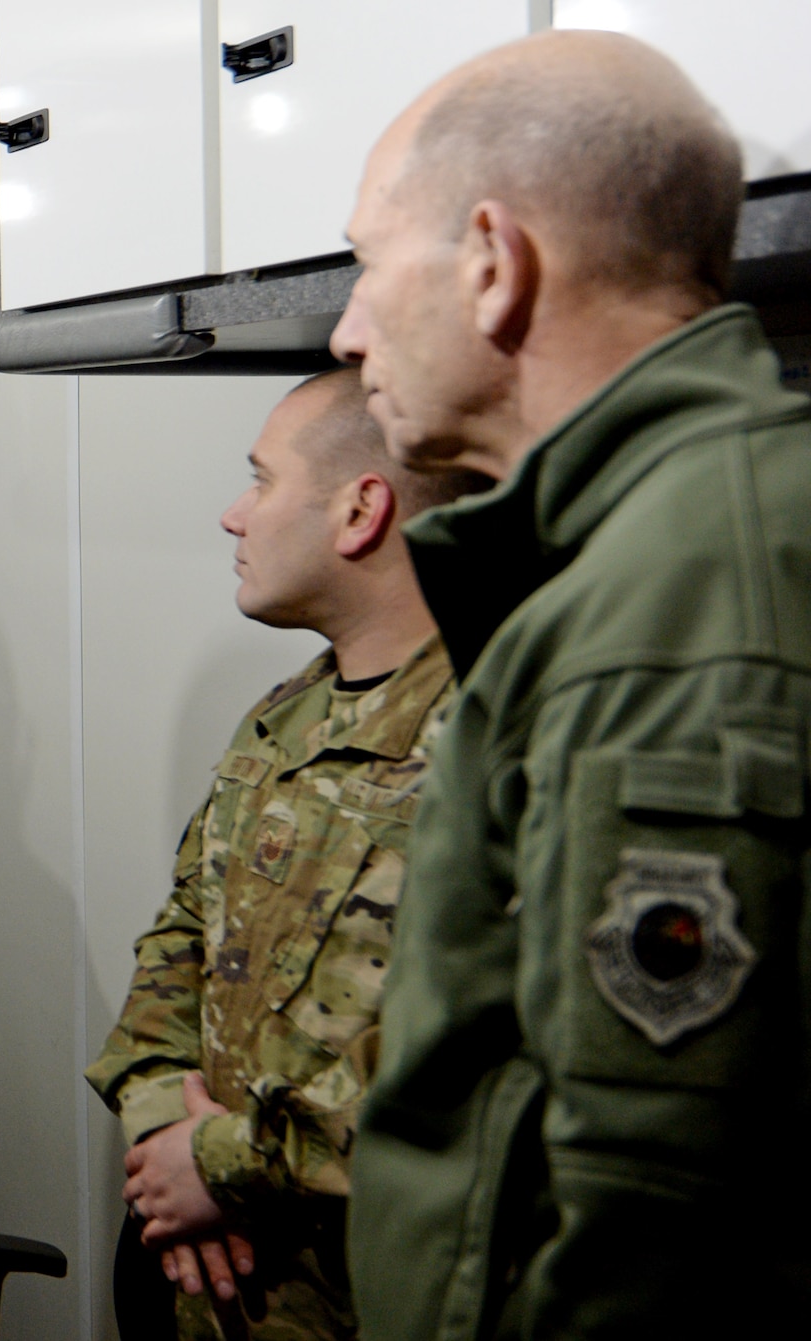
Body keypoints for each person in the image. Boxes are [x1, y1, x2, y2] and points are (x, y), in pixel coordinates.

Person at [329, 30, 811, 1337]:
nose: (345, 326)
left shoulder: (669, 601)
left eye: (369, 267)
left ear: (493, 262)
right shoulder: (666, 537)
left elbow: (649, 1226)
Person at [85, 367, 486, 1340]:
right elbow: (175, 945)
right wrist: (160, 1138)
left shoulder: (491, 733)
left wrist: (220, 1164)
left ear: (359, 510)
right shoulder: (280, 722)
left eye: (260, 481)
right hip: (220, 1297)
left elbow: (478, 1050)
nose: (233, 515)